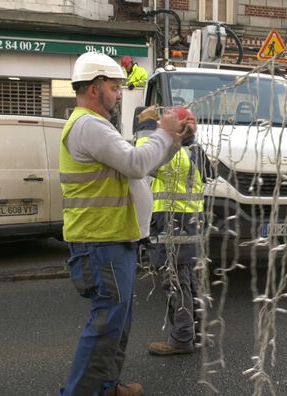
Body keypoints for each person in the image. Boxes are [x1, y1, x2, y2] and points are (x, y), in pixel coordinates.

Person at [59, 52, 195, 396]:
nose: (120, 93)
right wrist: (165, 133)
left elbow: (143, 164)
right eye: (115, 87)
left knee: (117, 323)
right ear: (94, 88)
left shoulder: (97, 125)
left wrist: (174, 138)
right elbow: (136, 163)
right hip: (100, 241)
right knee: (106, 324)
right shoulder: (88, 125)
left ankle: (106, 386)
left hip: (114, 239)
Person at [135, 106, 209, 355]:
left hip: (172, 225)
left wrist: (146, 126)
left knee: (175, 284)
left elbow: (142, 159)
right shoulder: (196, 151)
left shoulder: (176, 153)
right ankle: (197, 335)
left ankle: (181, 339)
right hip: (190, 225)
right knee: (189, 282)